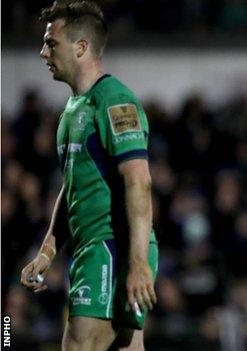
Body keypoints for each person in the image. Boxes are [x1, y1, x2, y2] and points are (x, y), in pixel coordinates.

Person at [19, 1, 158, 350]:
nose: (42, 52)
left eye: (51, 43)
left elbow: (138, 181)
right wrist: (48, 251)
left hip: (111, 248)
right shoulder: (72, 110)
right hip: (92, 250)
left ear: (81, 47)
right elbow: (72, 187)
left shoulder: (113, 100)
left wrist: (138, 261)